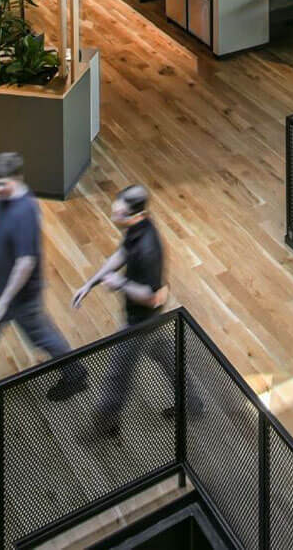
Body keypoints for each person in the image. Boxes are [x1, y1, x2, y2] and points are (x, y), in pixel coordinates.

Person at [74, 183, 199, 435]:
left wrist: (120, 283)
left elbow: (152, 297)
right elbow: (120, 254)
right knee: (165, 357)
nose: (114, 218)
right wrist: (90, 283)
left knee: (116, 376)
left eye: (118, 215)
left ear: (136, 215)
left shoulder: (149, 248)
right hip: (145, 318)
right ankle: (193, 404)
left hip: (141, 320)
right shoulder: (137, 229)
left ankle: (102, 426)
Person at [0, 152, 87, 399]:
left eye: (1, 183)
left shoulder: (26, 212)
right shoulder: (0, 202)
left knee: (41, 336)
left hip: (20, 294)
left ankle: (75, 374)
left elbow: (26, 263)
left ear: (16, 179)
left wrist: (4, 301)